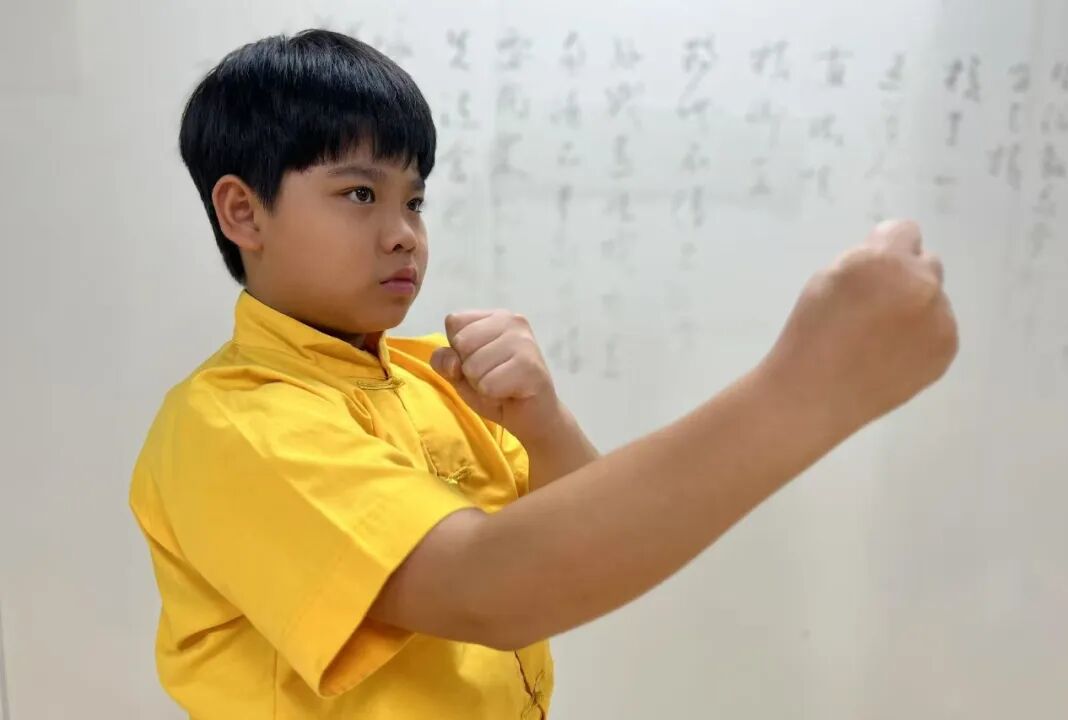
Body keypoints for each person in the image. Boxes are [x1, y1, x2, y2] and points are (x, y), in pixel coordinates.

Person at [129, 28, 958, 720]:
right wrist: (808, 391)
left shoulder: (430, 375)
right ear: (243, 212)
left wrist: (544, 421)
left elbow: (597, 552)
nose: (403, 232)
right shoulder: (232, 424)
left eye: (414, 200)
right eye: (359, 194)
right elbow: (491, 590)